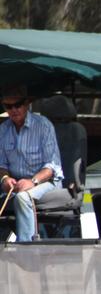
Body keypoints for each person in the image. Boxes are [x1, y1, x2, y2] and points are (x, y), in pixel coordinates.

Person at [0, 86, 64, 242]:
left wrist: (32, 181)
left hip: (46, 182)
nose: (14, 109)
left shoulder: (43, 125)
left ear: (27, 104)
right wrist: (5, 179)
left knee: (22, 198)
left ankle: (26, 247)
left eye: (18, 104)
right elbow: (1, 165)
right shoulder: (3, 129)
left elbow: (52, 166)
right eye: (9, 106)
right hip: (16, 184)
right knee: (19, 193)